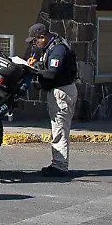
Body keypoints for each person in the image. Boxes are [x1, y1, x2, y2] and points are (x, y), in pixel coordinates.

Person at [25, 23, 79, 177]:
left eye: (35, 41)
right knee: (58, 128)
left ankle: (60, 166)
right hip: (59, 90)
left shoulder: (58, 49)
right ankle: (58, 162)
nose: (34, 44)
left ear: (42, 37)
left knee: (60, 129)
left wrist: (34, 70)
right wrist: (37, 64)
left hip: (62, 92)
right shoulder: (52, 46)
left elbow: (52, 74)